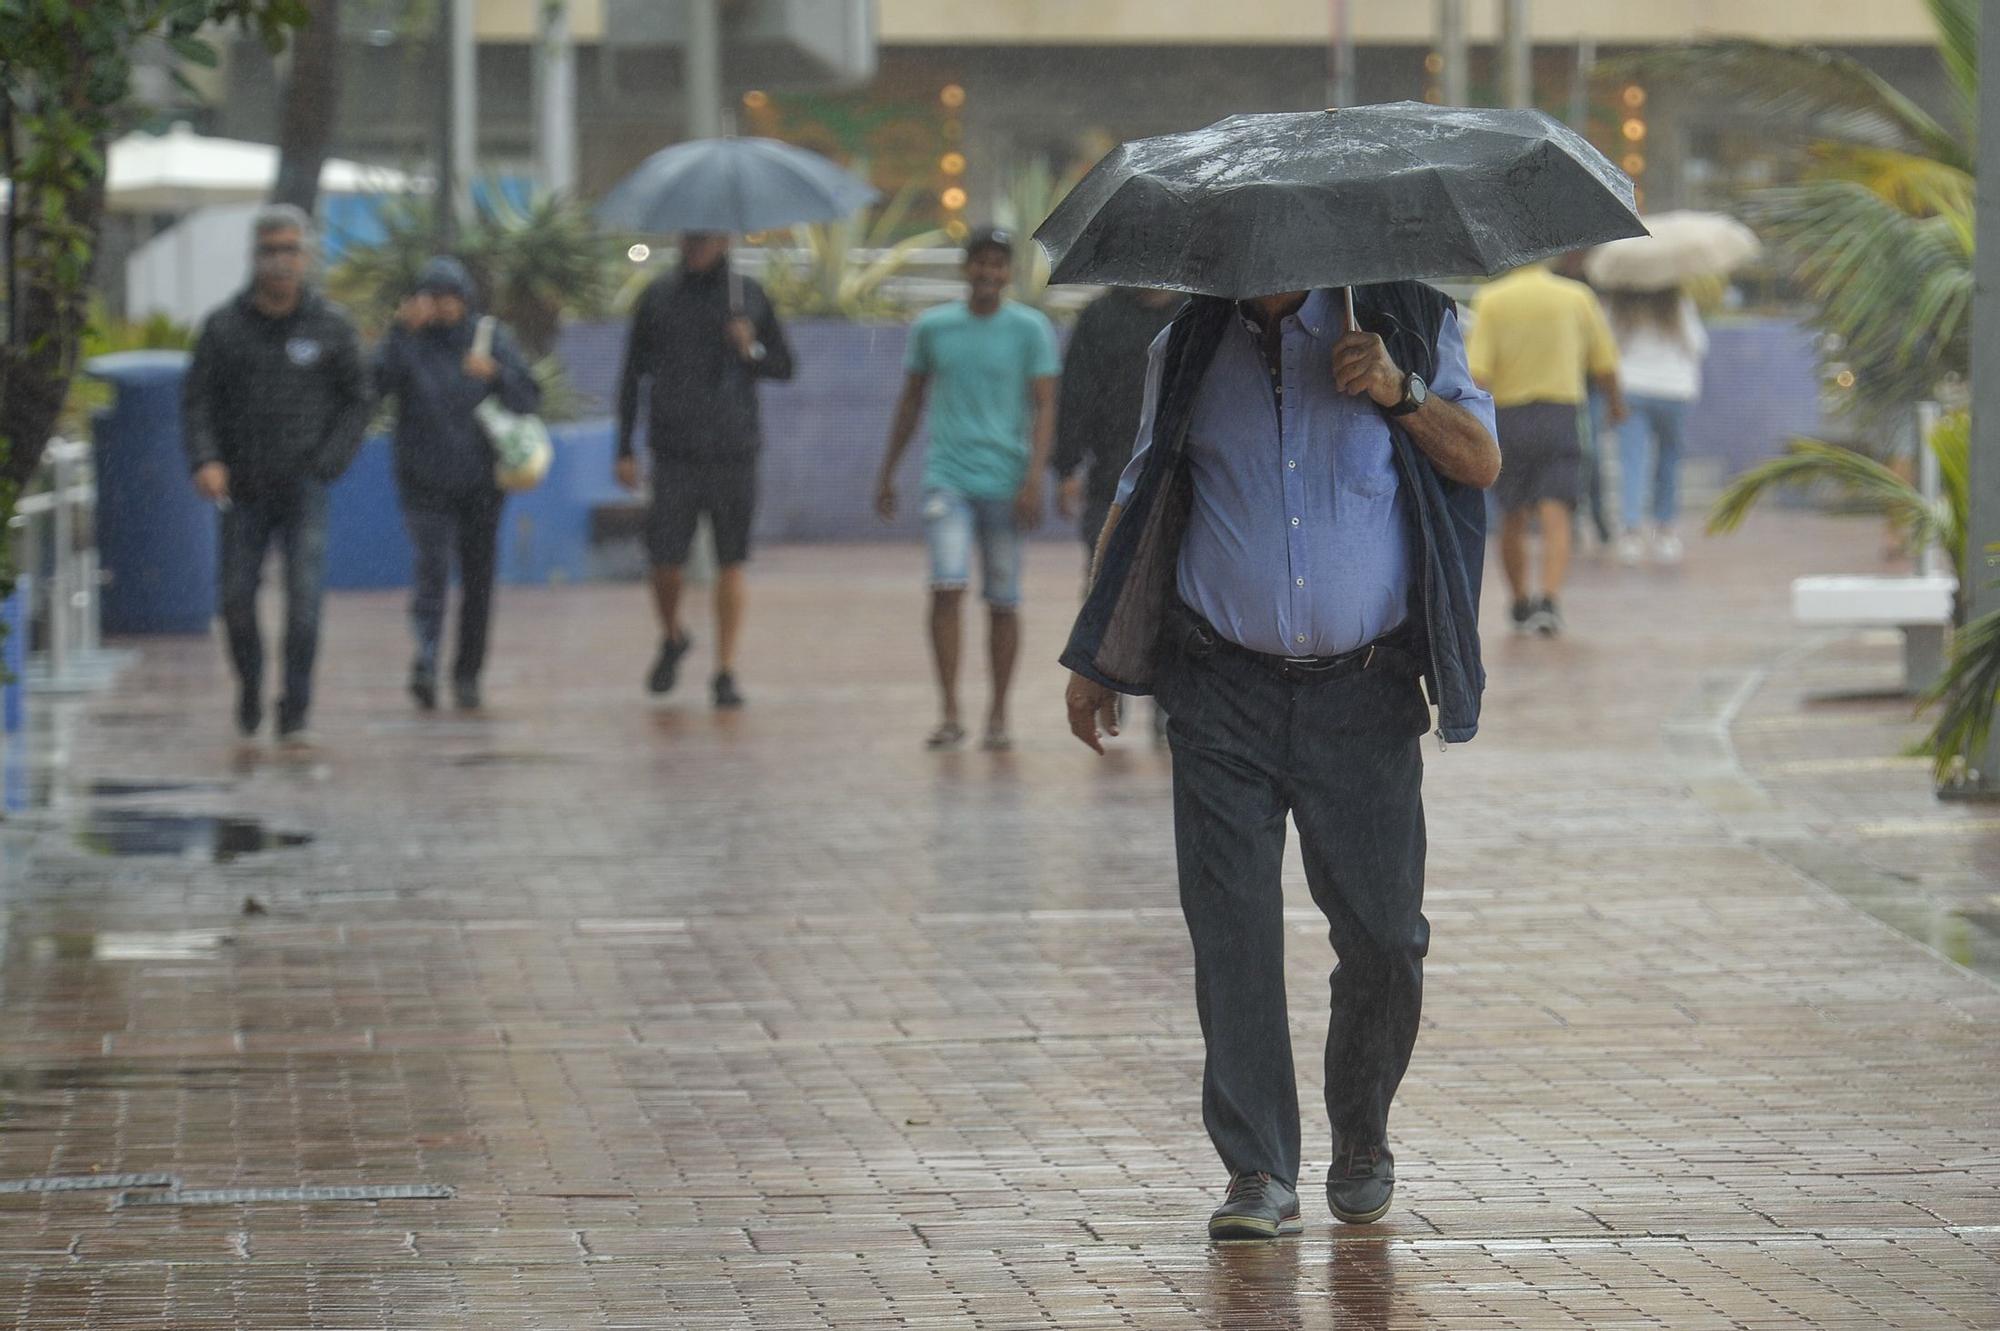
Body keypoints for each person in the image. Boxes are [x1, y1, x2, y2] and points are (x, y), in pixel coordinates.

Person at [1062, 281, 1499, 1240]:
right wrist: (1095, 649)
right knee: (1232, 933)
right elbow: (1139, 493)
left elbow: (1480, 459)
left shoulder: (1408, 320)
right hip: (1219, 688)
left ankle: (1361, 1134)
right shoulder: (1183, 344)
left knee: (1386, 936)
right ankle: (1258, 1165)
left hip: (1367, 688)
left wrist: (1399, 390)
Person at [183, 204, 371, 747]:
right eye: (270, 250)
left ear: (306, 256)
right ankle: (250, 688)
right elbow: (197, 402)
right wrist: (206, 459)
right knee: (236, 601)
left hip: (304, 486)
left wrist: (331, 460)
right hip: (241, 488)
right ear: (254, 256)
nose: (280, 262)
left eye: (290, 250)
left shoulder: (330, 327)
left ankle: (296, 708)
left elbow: (359, 399)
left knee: (305, 604)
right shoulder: (223, 327)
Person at [876, 227, 1060, 751]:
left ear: (1008, 273)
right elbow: (910, 401)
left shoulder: (1031, 330)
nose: (988, 273)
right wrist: (887, 471)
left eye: (998, 264)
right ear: (965, 268)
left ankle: (998, 713)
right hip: (947, 478)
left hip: (1006, 481)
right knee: (946, 586)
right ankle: (951, 710)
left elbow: (1045, 406)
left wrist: (1034, 479)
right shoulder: (933, 328)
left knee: (1003, 599)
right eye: (979, 262)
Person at [615, 232, 794, 708]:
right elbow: (631, 375)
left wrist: (749, 347)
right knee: (663, 559)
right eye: (689, 236)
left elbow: (783, 365)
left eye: (706, 237)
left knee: (731, 560)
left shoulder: (748, 295)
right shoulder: (657, 297)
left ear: (724, 239)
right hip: (674, 451)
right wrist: (624, 448)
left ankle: (725, 668)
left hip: (734, 448)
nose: (696, 245)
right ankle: (673, 636)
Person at [374, 256, 541, 712]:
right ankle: (425, 661)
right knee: (430, 570)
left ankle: (467, 673)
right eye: (431, 296)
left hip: (482, 483)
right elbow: (373, 387)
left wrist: (497, 374)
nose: (441, 306)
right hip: (423, 481)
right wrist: (398, 332)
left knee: (478, 581)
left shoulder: (489, 339)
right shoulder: (408, 341)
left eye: (449, 297)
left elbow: (530, 397)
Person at [1464, 262, 1626, 636]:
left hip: (1508, 417)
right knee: (1557, 511)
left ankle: (1520, 602)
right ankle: (1550, 601)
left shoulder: (1491, 298)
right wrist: (1616, 403)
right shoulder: (1576, 297)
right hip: (1561, 414)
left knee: (1513, 514)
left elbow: (1478, 370)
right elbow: (1605, 361)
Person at [1053, 286, 1182, 743]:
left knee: (1177, 594)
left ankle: (1170, 707)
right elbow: (1075, 392)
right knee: (1107, 583)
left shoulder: (1197, 314)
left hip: (1181, 478)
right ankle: (1108, 683)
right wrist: (1066, 465)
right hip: (1112, 478)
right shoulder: (1100, 317)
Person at [1606, 287, 1708, 566]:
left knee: (1632, 460)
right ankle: (1665, 531)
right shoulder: (1678, 303)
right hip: (1673, 390)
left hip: (1633, 388)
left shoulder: (1620, 304)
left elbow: (1606, 347)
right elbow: (1698, 344)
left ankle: (1631, 532)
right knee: (1669, 460)